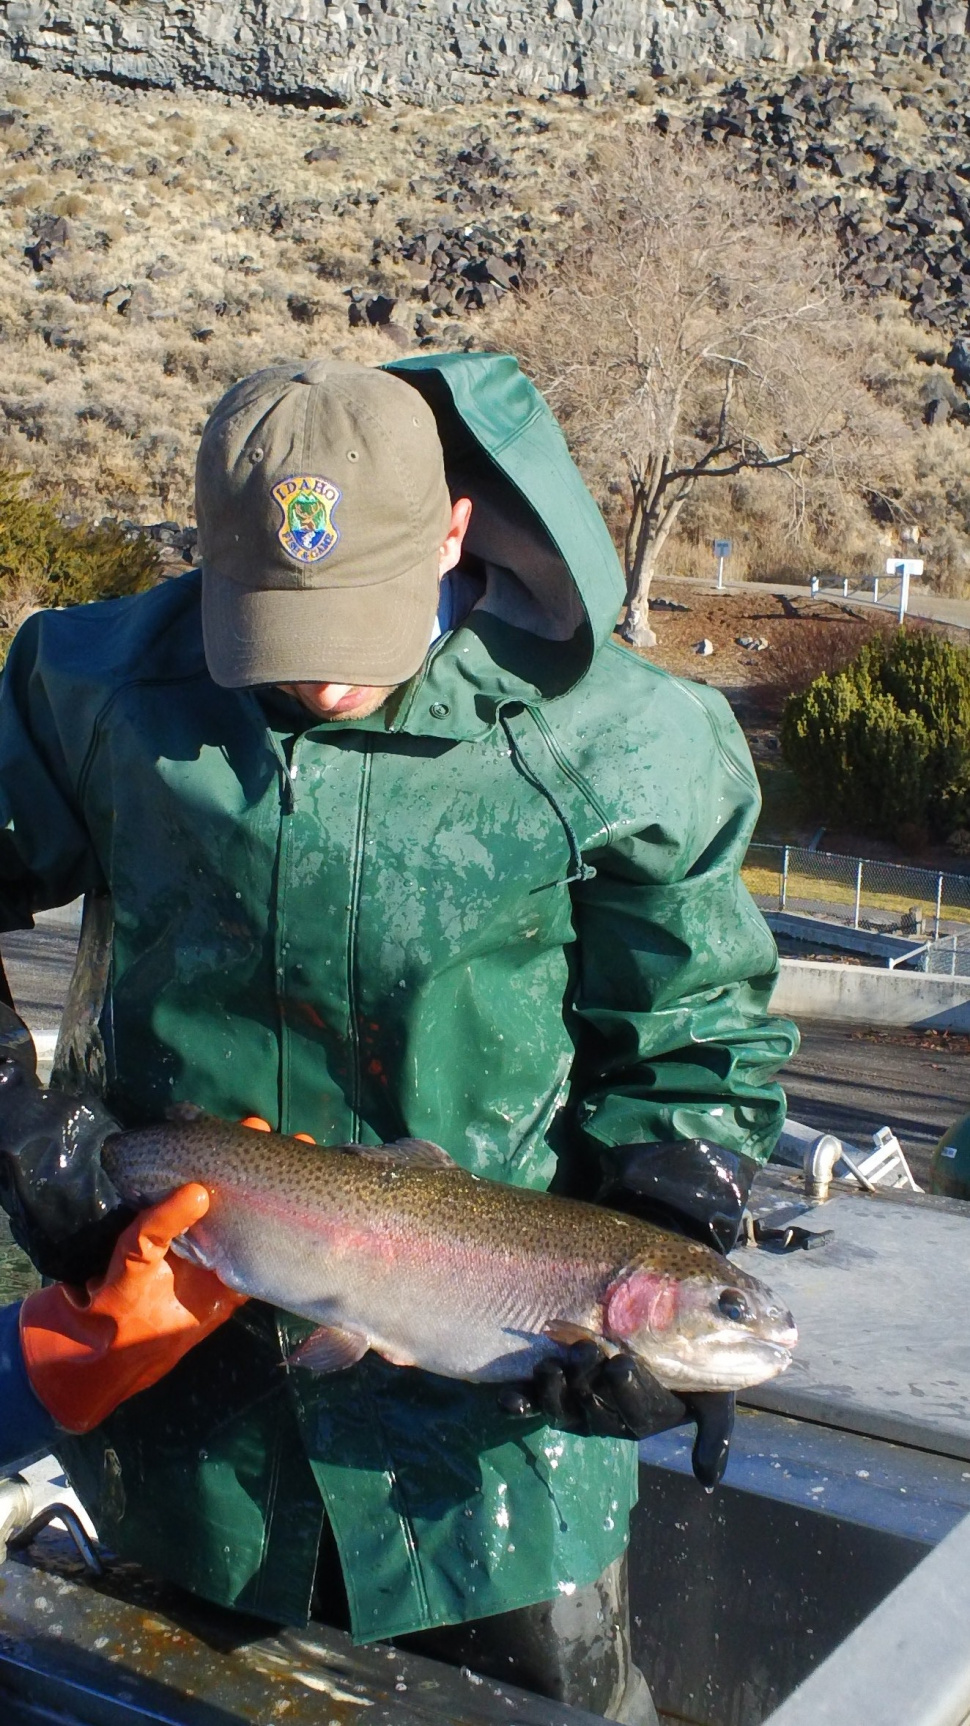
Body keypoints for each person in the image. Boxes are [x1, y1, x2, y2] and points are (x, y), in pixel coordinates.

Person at [0, 353, 797, 1723]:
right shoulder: (96, 684)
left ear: (454, 531)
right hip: (183, 1430)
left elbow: (690, 1020)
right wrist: (15, 1118)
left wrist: (671, 1183)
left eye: (357, 626)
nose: (315, 679)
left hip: (494, 1474)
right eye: (270, 629)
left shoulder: (620, 739)